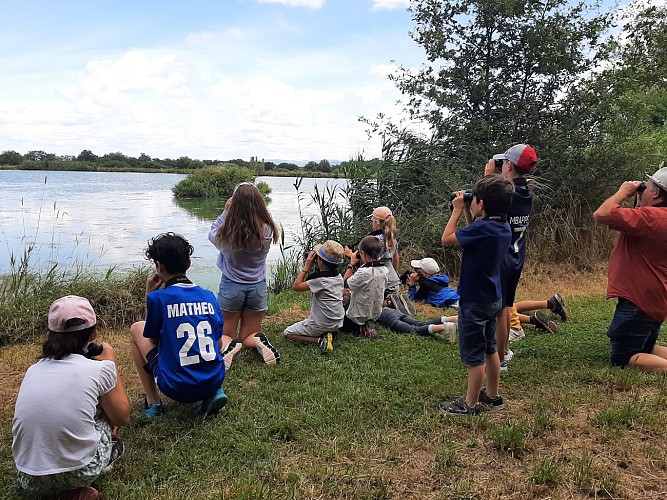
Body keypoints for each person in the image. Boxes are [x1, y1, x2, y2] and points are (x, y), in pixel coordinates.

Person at [12, 295, 130, 498]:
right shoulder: (99, 369)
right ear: (94, 334)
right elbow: (122, 417)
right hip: (81, 472)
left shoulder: (33, 370)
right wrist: (111, 363)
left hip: (29, 478)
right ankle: (75, 486)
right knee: (107, 415)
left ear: (51, 334)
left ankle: (58, 488)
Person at [440, 174, 515, 415]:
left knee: (475, 356)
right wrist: (470, 211)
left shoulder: (483, 228)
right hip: (493, 298)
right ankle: (492, 395)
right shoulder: (501, 227)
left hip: (473, 299)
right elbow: (474, 230)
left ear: (481, 204)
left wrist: (457, 210)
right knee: (490, 349)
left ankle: (469, 404)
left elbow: (447, 239)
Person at [130, 232, 227, 417]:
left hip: (176, 388)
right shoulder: (209, 296)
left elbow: (151, 339)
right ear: (189, 263)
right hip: (214, 379)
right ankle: (213, 390)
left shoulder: (158, 298)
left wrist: (148, 296)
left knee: (136, 329)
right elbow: (220, 344)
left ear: (158, 266)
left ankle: (153, 403)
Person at [593, 167, 667, 372]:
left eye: (647, 186)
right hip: (656, 297)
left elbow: (602, 214)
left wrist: (624, 192)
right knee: (646, 348)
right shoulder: (658, 218)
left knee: (624, 357)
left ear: (657, 192)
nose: (642, 190)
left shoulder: (650, 217)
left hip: (639, 300)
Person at [209, 182, 281, 368]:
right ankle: (258, 341)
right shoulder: (267, 229)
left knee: (226, 334)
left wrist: (226, 212)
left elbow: (211, 235)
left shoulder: (228, 232)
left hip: (231, 287)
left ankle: (229, 346)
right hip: (257, 287)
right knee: (249, 334)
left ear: (234, 203)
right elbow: (261, 218)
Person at [487, 144, 538, 371]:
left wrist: (488, 179)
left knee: (499, 310)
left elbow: (482, 208)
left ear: (508, 164)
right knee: (506, 306)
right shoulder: (526, 192)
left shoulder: (503, 193)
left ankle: (500, 359)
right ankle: (504, 349)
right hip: (517, 254)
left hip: (500, 257)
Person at [283, 240, 345, 353]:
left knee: (288, 333)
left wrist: (307, 267)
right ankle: (329, 332)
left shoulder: (320, 280)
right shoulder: (339, 277)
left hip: (321, 324)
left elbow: (296, 286)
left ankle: (320, 340)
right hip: (337, 322)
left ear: (320, 261)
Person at [342, 236, 389, 339]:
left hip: (355, 318)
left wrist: (351, 264)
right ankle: (368, 325)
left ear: (362, 253)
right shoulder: (385, 270)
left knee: (343, 299)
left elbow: (345, 283)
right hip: (374, 314)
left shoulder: (363, 272)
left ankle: (360, 328)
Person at [346, 206, 400, 294]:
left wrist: (350, 254)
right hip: (393, 282)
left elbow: (366, 259)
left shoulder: (373, 239)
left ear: (377, 222)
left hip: (379, 282)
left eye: (373, 220)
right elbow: (396, 258)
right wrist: (395, 273)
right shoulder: (392, 238)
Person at [377, 307, 458, 342]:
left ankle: (443, 327)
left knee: (412, 330)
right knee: (420, 323)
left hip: (384, 316)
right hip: (391, 310)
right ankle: (451, 319)